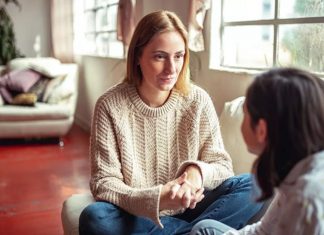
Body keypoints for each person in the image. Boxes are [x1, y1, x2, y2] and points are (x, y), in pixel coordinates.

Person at [79, 10, 262, 235]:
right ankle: (196, 232)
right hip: (140, 214)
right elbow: (104, 183)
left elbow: (222, 166)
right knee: (94, 218)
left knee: (256, 183)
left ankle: (191, 229)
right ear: (137, 56)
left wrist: (196, 173)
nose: (172, 68)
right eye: (159, 56)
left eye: (179, 56)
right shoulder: (110, 105)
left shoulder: (198, 100)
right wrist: (159, 200)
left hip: (193, 206)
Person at [190, 67, 324, 235]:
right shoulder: (294, 173)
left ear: (261, 130)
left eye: (245, 113)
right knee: (204, 229)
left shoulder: (306, 199)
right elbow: (264, 231)